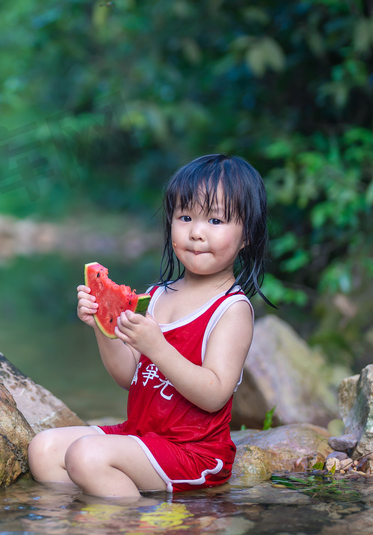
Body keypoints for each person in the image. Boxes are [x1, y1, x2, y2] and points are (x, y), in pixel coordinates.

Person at [28, 153, 269, 499]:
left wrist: (157, 347)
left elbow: (215, 394)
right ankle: (91, 528)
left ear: (247, 235)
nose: (197, 232)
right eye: (185, 217)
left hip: (193, 452)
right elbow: (129, 377)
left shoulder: (232, 309)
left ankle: (141, 532)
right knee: (44, 449)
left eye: (215, 221)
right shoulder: (155, 296)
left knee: (85, 456)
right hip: (141, 435)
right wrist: (102, 324)